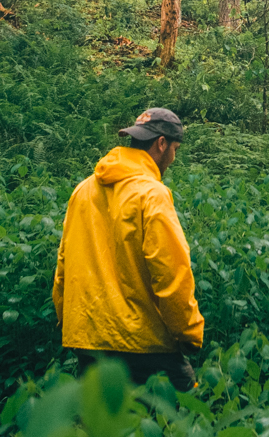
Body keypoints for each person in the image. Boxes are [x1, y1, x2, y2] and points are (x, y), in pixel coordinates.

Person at [52, 108, 204, 390]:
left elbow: (64, 265)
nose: (173, 157)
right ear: (161, 144)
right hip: (143, 344)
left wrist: (68, 320)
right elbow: (171, 272)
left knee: (102, 430)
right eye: (175, 148)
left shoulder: (83, 191)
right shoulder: (151, 194)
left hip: (87, 339)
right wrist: (189, 333)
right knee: (181, 418)